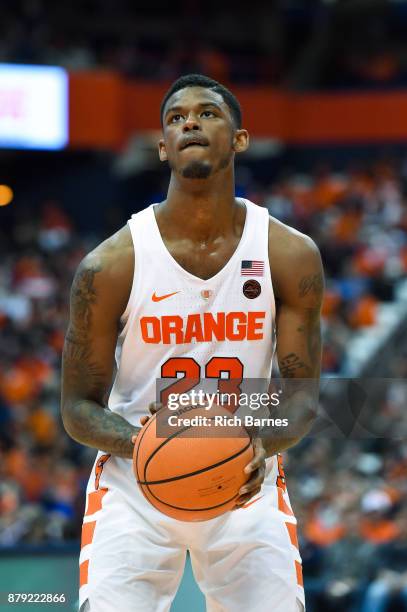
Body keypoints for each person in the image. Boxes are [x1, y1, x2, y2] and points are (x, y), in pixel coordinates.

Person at [61, 74, 323, 612]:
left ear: (240, 139)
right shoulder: (110, 265)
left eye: (207, 113)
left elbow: (302, 398)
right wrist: (149, 444)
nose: (190, 123)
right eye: (177, 118)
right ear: (163, 147)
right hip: (135, 483)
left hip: (244, 478)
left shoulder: (289, 255)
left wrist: (260, 445)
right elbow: (75, 406)